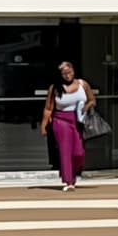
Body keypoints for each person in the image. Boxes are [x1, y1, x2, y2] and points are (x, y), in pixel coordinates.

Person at [40, 59, 96, 188]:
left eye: (69, 72)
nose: (68, 75)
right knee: (65, 151)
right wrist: (43, 125)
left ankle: (71, 173)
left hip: (77, 120)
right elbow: (48, 108)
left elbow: (92, 100)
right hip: (61, 120)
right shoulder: (55, 88)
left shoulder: (83, 84)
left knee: (78, 153)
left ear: (73, 71)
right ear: (60, 74)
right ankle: (68, 181)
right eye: (64, 73)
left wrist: (86, 107)